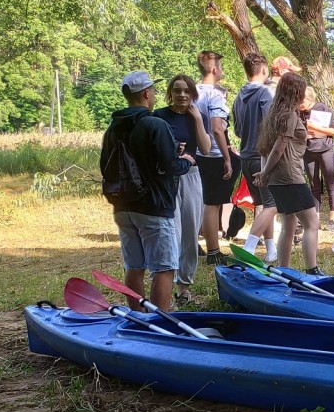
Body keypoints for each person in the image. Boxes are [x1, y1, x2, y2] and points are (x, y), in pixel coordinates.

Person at [100, 71, 195, 312]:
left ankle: (138, 316)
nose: (153, 94)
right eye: (152, 90)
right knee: (164, 268)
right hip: (154, 206)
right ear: (145, 93)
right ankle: (159, 320)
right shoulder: (155, 124)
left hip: (123, 207)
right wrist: (186, 161)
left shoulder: (113, 128)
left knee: (134, 265)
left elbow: (105, 167)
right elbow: (170, 166)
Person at [252, 73, 321, 274]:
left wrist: (265, 173)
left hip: (277, 179)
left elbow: (264, 148)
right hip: (290, 177)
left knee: (288, 224)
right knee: (311, 223)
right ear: (296, 93)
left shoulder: (273, 116)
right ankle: (312, 269)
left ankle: (284, 269)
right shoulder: (289, 116)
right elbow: (278, 148)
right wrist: (264, 173)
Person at [152, 74, 212, 303]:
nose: (182, 95)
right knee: (170, 232)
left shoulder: (198, 116)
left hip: (191, 177)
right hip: (166, 178)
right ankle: (163, 286)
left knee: (189, 231)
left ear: (193, 94)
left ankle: (183, 288)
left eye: (187, 91)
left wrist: (197, 120)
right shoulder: (159, 116)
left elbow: (205, 149)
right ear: (170, 93)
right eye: (177, 90)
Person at [193, 50, 239, 265]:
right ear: (213, 69)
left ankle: (196, 244)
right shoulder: (214, 94)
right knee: (212, 203)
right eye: (220, 67)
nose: (222, 71)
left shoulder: (192, 91)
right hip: (212, 154)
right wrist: (227, 157)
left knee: (201, 201)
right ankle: (213, 251)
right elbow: (217, 128)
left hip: (195, 153)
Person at [232, 53, 280, 260]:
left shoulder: (238, 97)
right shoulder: (265, 93)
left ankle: (271, 250)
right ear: (264, 70)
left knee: (263, 204)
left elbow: (237, 130)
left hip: (245, 156)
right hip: (262, 156)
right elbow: (271, 124)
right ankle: (248, 248)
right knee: (273, 205)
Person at [301, 86, 334, 230]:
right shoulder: (297, 112)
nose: (299, 104)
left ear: (309, 99)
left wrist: (314, 127)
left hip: (325, 150)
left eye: (301, 101)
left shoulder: (324, 109)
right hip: (308, 151)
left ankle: (332, 220)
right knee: (314, 185)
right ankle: (315, 220)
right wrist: (304, 135)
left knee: (330, 184)